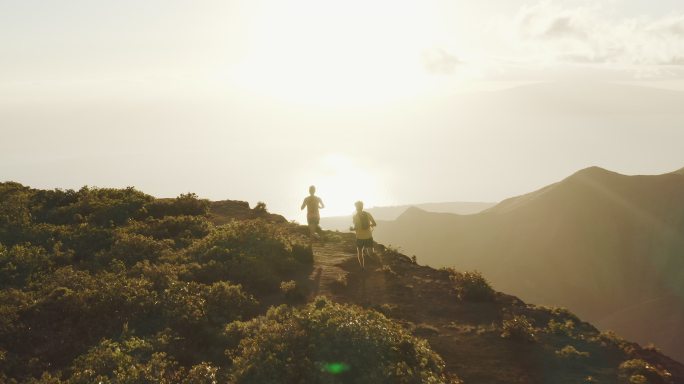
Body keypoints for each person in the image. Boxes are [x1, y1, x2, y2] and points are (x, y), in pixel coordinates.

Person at [350, 200, 376, 270]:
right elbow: (374, 224)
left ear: (356, 207)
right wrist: (368, 225)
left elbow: (355, 227)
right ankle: (378, 264)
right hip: (368, 236)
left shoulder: (355, 216)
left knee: (360, 252)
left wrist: (351, 229)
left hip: (359, 237)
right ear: (362, 206)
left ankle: (362, 267)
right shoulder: (368, 214)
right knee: (371, 253)